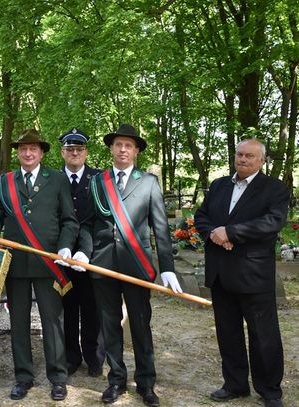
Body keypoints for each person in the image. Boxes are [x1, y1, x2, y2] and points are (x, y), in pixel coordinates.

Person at [73, 124, 182, 406]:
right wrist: (85, 252)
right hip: (103, 265)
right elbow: (87, 223)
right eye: (118, 144)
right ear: (111, 148)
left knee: (141, 326)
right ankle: (116, 381)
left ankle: (146, 383)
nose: (123, 149)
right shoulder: (98, 182)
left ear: (136, 151)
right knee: (109, 328)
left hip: (136, 265)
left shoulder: (148, 182)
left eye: (128, 146)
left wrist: (167, 267)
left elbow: (160, 228)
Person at [0, 129, 78, 401]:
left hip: (47, 262)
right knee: (18, 321)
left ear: (41, 152)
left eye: (33, 149)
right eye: (23, 149)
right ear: (18, 152)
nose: (27, 153)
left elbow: (69, 220)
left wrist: (64, 246)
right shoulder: (5, 182)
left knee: (52, 322)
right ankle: (23, 377)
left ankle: (58, 378)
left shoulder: (58, 180)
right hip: (15, 264)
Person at [194, 139, 289, 407]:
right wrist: (214, 233)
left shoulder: (274, 189)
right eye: (239, 154)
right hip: (221, 273)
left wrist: (231, 232)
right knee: (228, 333)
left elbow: (272, 222)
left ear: (262, 161)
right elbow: (201, 216)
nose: (243, 159)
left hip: (253, 274)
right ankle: (235, 385)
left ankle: (269, 390)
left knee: (264, 335)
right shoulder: (219, 185)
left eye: (249, 156)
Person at [58, 128, 105, 377]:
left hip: (91, 255)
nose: (74, 153)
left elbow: (101, 218)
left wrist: (87, 251)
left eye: (79, 149)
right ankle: (70, 357)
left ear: (86, 152)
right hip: (61, 255)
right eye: (69, 149)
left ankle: (94, 357)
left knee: (91, 307)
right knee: (67, 308)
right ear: (62, 152)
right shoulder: (52, 179)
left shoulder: (99, 179)